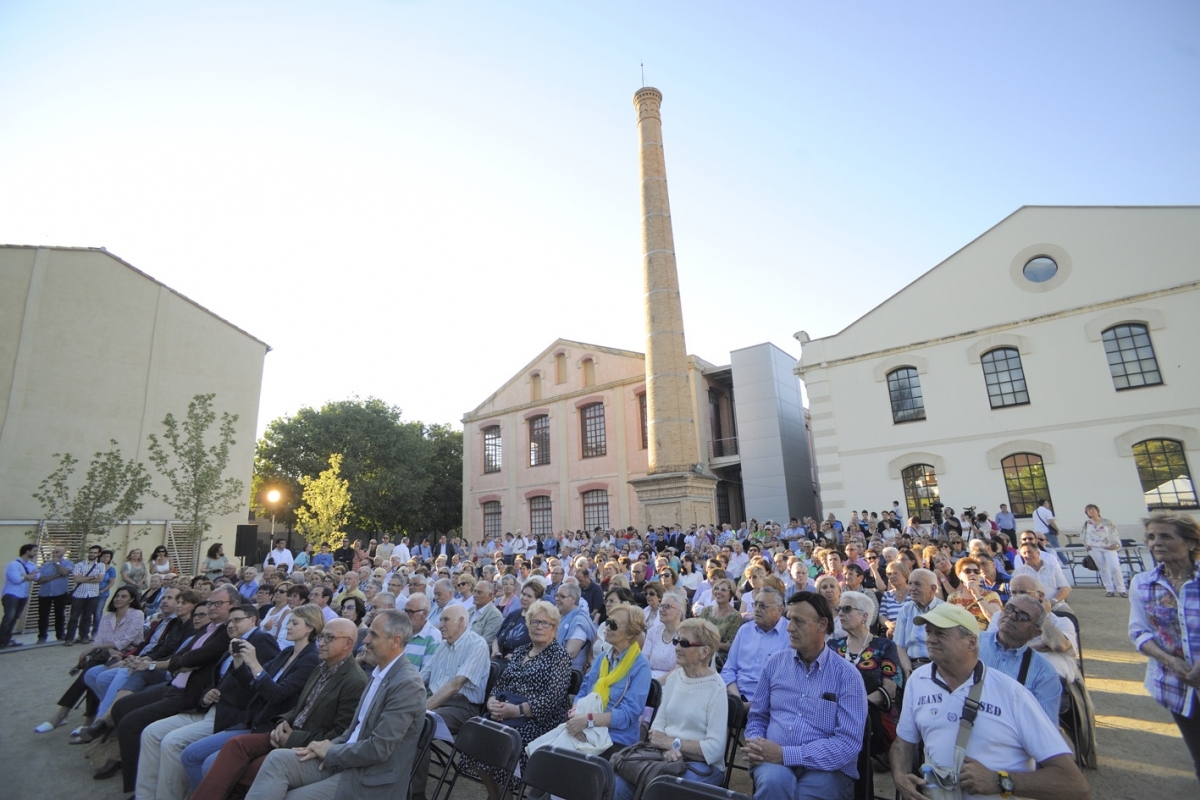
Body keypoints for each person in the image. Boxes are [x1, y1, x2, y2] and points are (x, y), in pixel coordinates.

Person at [890, 603, 1089, 800]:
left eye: (941, 634)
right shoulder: (918, 680)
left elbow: (1075, 785)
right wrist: (900, 776)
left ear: (971, 642)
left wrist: (999, 781)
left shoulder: (1012, 694)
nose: (930, 640)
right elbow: (903, 743)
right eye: (928, 632)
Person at [244, 609, 426, 800]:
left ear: (395, 641)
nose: (365, 641)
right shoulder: (379, 673)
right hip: (347, 759)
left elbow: (379, 748)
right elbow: (354, 731)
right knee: (277, 759)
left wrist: (331, 752)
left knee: (292, 796)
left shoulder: (407, 685)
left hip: (370, 777)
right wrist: (322, 746)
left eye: (373, 634)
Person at [190, 618, 368, 800]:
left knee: (243, 770)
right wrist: (281, 722)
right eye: (321, 637)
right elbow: (300, 707)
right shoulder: (321, 667)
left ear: (348, 643)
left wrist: (291, 738)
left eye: (329, 638)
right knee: (236, 745)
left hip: (307, 745)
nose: (321, 643)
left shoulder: (355, 682)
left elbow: (340, 734)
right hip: (285, 732)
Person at [129, 601, 286, 799]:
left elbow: (263, 684)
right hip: (206, 708)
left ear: (253, 620)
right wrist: (208, 694)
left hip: (230, 715)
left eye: (237, 620)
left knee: (172, 742)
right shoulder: (231, 642)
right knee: (151, 733)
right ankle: (145, 796)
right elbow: (217, 678)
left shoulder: (261, 640)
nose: (231, 625)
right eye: (229, 621)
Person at [103, 585, 239, 793]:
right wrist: (180, 662)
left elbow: (194, 659)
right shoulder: (207, 628)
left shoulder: (226, 632)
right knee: (121, 707)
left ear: (234, 605)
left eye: (218, 603)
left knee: (132, 723)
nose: (212, 607)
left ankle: (136, 787)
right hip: (174, 684)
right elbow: (180, 655)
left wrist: (176, 663)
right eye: (210, 603)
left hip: (189, 695)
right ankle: (133, 768)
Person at [176, 604, 322, 794]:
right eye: (289, 622)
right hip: (251, 722)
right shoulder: (287, 653)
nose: (288, 626)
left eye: (294, 623)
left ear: (310, 627)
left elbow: (277, 694)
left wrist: (253, 662)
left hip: (269, 727)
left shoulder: (311, 659)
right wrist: (238, 662)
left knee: (207, 763)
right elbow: (253, 686)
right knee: (190, 755)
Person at [744, 591, 867, 800]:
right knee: (774, 783)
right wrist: (756, 744)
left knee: (807, 795)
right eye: (789, 619)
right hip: (773, 760)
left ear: (822, 625)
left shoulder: (847, 676)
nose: (789, 628)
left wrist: (786, 755)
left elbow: (848, 743)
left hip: (827, 769)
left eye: (798, 621)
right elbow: (758, 717)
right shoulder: (775, 663)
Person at [613, 618, 729, 800]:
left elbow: (714, 749)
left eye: (684, 643)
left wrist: (673, 744)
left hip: (702, 765)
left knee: (663, 793)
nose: (676, 647)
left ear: (704, 652)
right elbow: (658, 726)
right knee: (617, 785)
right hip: (663, 755)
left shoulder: (716, 687)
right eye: (676, 641)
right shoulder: (675, 677)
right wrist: (666, 747)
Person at [472, 600, 572, 800]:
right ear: (528, 625)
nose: (539, 627)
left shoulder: (559, 656)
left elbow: (552, 698)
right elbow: (501, 683)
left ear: (554, 628)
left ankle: (503, 796)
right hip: (505, 712)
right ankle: (497, 795)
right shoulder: (520, 652)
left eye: (545, 623)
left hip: (538, 721)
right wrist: (492, 700)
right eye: (535, 622)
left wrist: (517, 711)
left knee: (505, 741)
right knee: (476, 736)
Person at [1129, 512, 1200, 778]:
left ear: (1191, 543)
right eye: (1151, 537)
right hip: (1176, 685)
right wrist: (1172, 662)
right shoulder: (1142, 584)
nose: (1156, 542)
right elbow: (1138, 632)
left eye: (1166, 536)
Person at [412, 604, 490, 800]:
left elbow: (456, 685)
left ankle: (416, 794)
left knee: (419, 724)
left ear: (462, 621)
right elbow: (422, 677)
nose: (440, 625)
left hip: (462, 707)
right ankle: (397, 779)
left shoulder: (477, 644)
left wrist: (422, 708)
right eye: (441, 619)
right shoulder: (442, 646)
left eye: (446, 620)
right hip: (437, 702)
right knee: (399, 715)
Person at [568, 603, 651, 756]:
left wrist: (588, 720)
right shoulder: (603, 657)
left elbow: (628, 714)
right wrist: (576, 714)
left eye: (613, 625)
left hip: (616, 739)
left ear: (630, 634)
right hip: (585, 725)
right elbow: (585, 687)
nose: (606, 627)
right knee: (547, 752)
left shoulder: (641, 666)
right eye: (607, 621)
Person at [830, 590, 902, 759]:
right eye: (839, 608)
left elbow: (889, 690)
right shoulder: (833, 647)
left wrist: (853, 707)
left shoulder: (885, 646)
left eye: (847, 609)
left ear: (864, 616)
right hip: (833, 716)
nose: (840, 613)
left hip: (871, 717)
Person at [977, 594, 1063, 723]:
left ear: (1035, 633)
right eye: (1009, 609)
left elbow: (1044, 727)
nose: (1011, 616)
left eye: (1023, 617)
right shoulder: (970, 643)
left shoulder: (1044, 673)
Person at [721, 585, 790, 706]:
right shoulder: (745, 630)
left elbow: (787, 683)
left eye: (763, 606)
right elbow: (729, 669)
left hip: (770, 703)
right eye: (755, 604)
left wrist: (754, 705)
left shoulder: (790, 634)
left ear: (780, 610)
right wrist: (738, 701)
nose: (756, 609)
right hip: (735, 696)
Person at [893, 568, 944, 674]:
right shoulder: (905, 610)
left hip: (940, 666)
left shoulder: (945, 610)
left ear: (933, 589)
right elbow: (899, 646)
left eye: (917, 584)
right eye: (910, 583)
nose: (911, 588)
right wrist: (908, 670)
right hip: (913, 665)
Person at [1082, 504, 1126, 598]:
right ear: (1087, 513)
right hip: (1094, 548)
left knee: (1115, 567)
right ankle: (1109, 589)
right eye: (1089, 510)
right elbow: (1084, 535)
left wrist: (1117, 544)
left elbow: (1114, 533)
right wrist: (1086, 544)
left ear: (1097, 510)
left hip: (1108, 547)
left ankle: (1121, 589)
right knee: (1103, 569)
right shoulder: (1087, 523)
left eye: (1093, 509)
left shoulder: (1107, 522)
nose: (1092, 511)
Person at [699, 577, 743, 669]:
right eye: (716, 588)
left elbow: (730, 646)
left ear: (731, 594)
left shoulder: (735, 617)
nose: (718, 592)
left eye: (723, 590)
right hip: (700, 650)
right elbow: (697, 633)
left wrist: (706, 642)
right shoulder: (706, 610)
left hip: (719, 658)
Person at [947, 556, 1003, 628]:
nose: (972, 573)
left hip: (983, 636)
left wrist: (977, 595)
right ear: (959, 575)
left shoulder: (991, 595)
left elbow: (995, 621)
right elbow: (949, 622)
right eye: (967, 571)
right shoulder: (953, 597)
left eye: (976, 571)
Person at [65, 544, 106, 644]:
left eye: (95, 553)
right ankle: (69, 638)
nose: (92, 554)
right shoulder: (79, 565)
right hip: (79, 594)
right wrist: (93, 577)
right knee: (74, 616)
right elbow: (77, 579)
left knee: (87, 617)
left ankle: (84, 636)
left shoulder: (101, 565)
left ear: (99, 554)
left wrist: (84, 579)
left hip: (93, 594)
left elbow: (100, 579)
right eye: (91, 552)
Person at [494, 579, 543, 659]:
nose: (524, 598)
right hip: (501, 661)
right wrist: (495, 651)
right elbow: (497, 637)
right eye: (523, 594)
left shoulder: (539, 621)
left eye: (529, 596)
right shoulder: (513, 615)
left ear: (537, 600)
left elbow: (539, 648)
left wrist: (517, 657)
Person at [2, 543, 39, 647]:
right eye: (34, 551)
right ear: (27, 551)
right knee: (9, 617)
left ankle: (7, 640)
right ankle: (1, 640)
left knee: (14, 618)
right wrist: (28, 576)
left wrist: (26, 576)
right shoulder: (14, 564)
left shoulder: (31, 565)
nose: (36, 553)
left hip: (23, 595)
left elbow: (37, 576)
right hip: (12, 595)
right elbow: (16, 579)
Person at [1015, 542, 1071, 610]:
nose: (1027, 555)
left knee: (1063, 608)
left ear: (1038, 553)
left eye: (1030, 552)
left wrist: (1052, 601)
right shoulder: (1019, 572)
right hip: (1031, 605)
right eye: (1024, 553)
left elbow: (1065, 588)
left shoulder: (1053, 569)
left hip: (1054, 604)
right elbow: (1015, 592)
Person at [35, 545, 74, 642]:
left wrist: (57, 563)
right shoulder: (46, 565)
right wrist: (56, 575)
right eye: (54, 551)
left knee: (60, 615)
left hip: (60, 593)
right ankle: (42, 636)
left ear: (63, 553)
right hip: (45, 593)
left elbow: (64, 572)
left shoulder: (68, 563)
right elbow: (40, 580)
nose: (55, 553)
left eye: (58, 552)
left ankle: (60, 635)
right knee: (43, 615)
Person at [643, 592, 685, 681]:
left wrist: (655, 685)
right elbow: (643, 662)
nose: (661, 610)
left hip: (672, 683)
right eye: (661, 606)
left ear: (679, 613)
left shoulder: (685, 636)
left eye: (667, 606)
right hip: (648, 679)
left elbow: (679, 670)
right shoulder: (653, 632)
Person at [554, 582, 596, 672]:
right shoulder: (559, 616)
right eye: (556, 595)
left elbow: (571, 652)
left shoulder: (579, 621)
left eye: (561, 596)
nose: (557, 599)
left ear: (573, 599)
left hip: (568, 673)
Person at [402, 592, 442, 672]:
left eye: (411, 612)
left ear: (424, 613)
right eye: (406, 611)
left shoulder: (433, 637)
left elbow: (426, 674)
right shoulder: (400, 630)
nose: (407, 615)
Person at [468, 579, 503, 646]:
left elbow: (485, 642)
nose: (475, 595)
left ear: (490, 596)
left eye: (479, 592)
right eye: (474, 591)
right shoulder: (470, 611)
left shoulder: (495, 616)